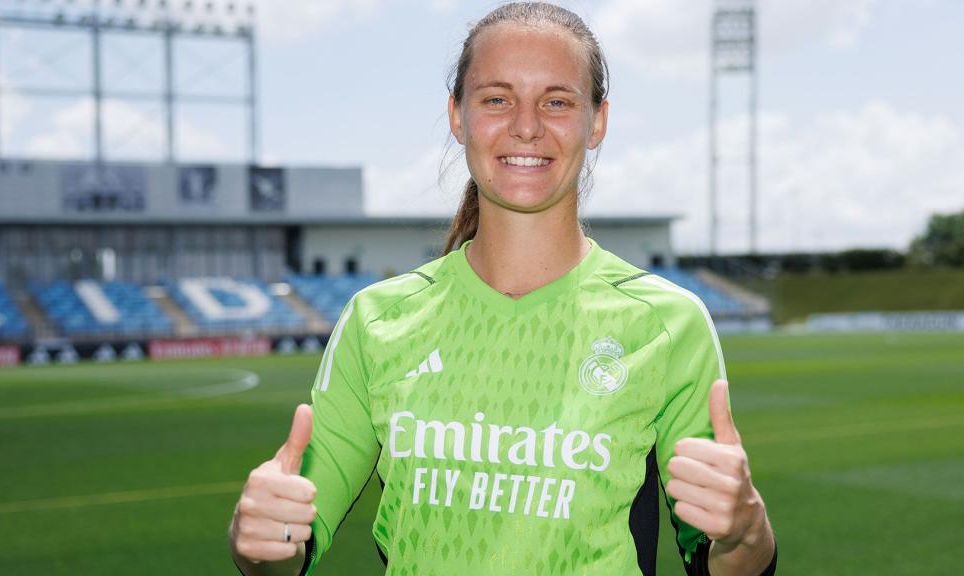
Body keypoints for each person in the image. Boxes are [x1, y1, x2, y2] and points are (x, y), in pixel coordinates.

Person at [228, 3, 777, 575]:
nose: (526, 124)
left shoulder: (667, 324)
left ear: (597, 123)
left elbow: (724, 562)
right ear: (457, 116)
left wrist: (744, 531)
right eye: (497, 98)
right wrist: (260, 539)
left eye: (557, 101)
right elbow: (287, 548)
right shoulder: (377, 319)